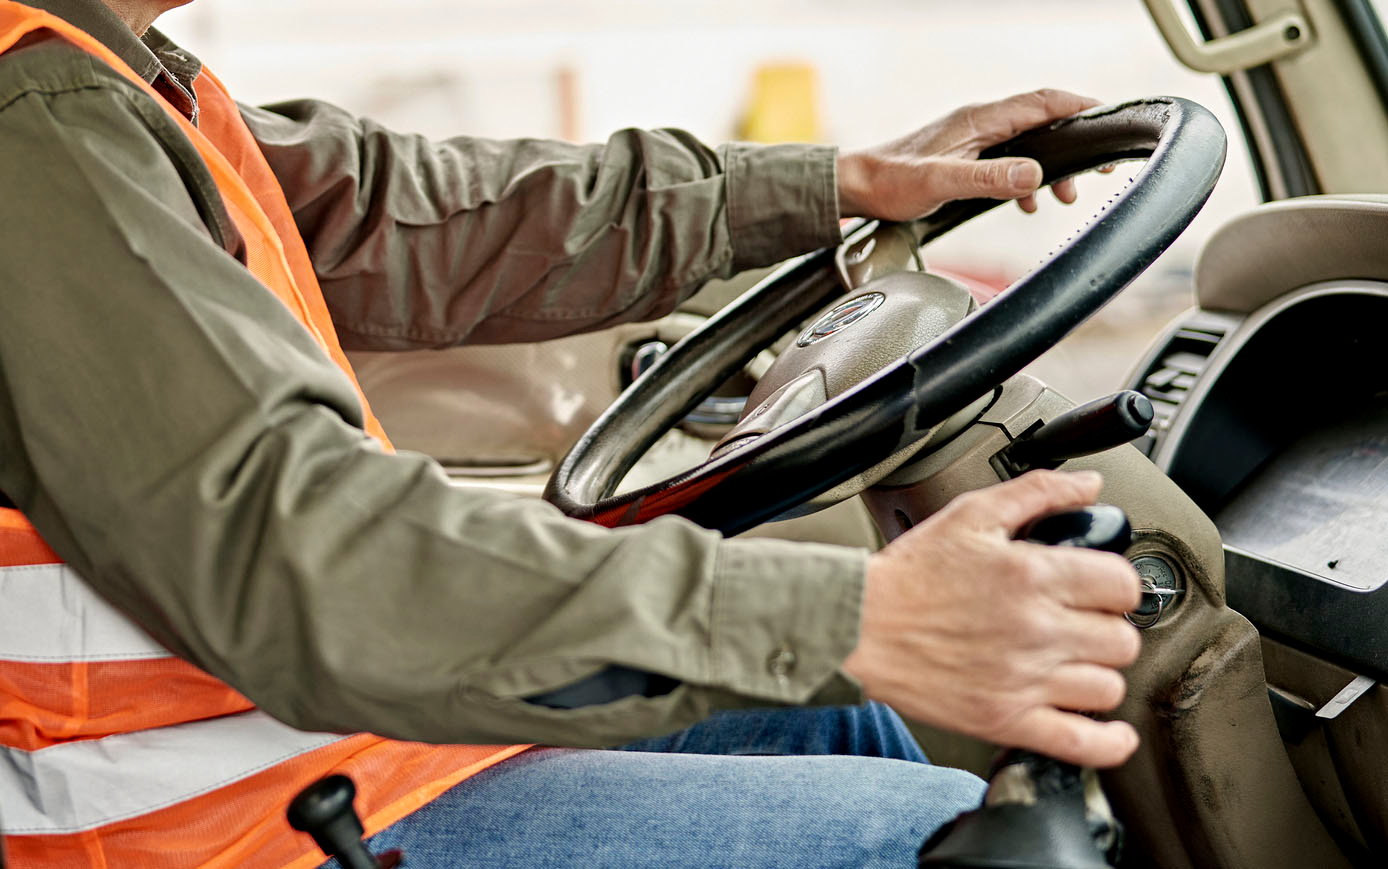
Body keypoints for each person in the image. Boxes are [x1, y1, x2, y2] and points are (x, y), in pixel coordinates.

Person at [0, 0, 1143, 865]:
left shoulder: (122, 85)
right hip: (201, 820)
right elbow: (292, 548)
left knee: (829, 707)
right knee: (922, 832)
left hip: (311, 739)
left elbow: (404, 212)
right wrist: (847, 611)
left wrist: (837, 181)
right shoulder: (34, 124)